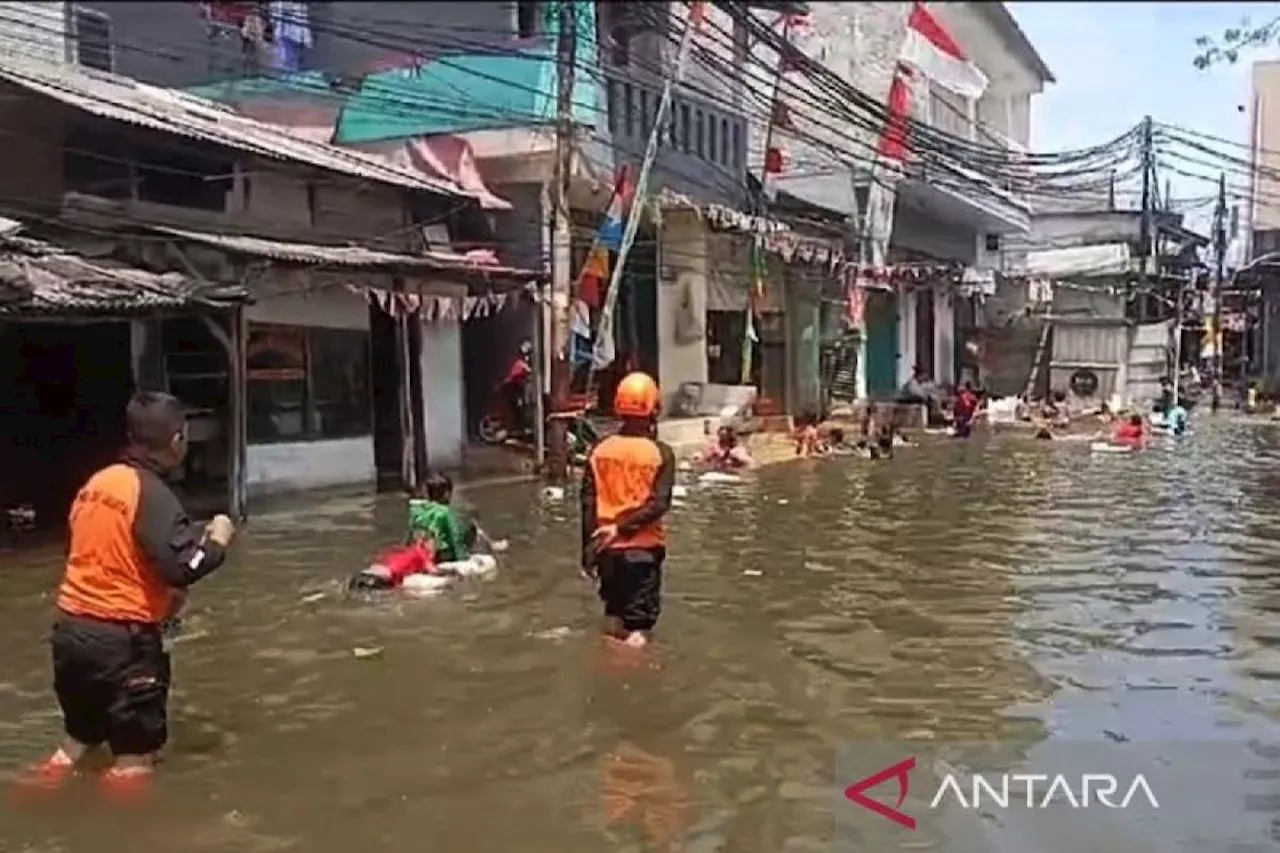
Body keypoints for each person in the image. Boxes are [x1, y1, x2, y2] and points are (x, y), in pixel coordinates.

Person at [21, 392, 235, 797]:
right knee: (134, 761)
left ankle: (31, 797)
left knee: (77, 742)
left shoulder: (96, 484)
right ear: (176, 440)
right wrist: (218, 542)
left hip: (71, 634)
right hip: (124, 644)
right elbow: (183, 567)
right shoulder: (151, 493)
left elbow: (101, 557)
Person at [580, 372, 676, 649]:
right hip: (641, 553)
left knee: (613, 618)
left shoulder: (599, 450)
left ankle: (606, 675)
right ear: (653, 409)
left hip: (606, 551)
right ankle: (634, 686)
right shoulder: (660, 453)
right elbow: (658, 505)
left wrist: (588, 550)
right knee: (638, 629)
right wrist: (621, 528)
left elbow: (587, 504)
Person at [408, 473, 478, 565]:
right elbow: (455, 536)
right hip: (441, 555)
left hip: (422, 552)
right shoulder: (444, 511)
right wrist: (462, 558)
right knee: (471, 527)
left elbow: (411, 535)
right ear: (446, 494)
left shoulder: (416, 511)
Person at [502, 341, 534, 437]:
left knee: (525, 406)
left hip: (520, 388)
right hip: (516, 389)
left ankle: (522, 427)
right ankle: (521, 428)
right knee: (521, 406)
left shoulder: (524, 363)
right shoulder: (520, 364)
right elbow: (514, 375)